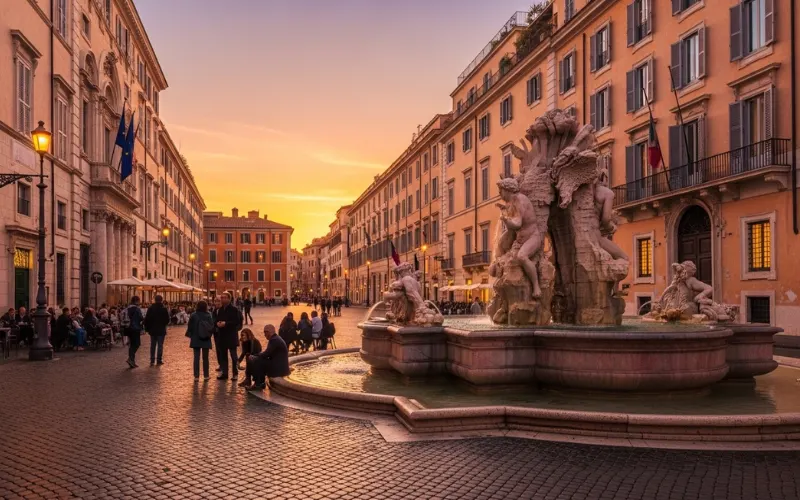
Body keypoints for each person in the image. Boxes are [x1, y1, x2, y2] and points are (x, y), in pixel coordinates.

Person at [245, 324, 290, 390]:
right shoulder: (276, 338)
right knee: (256, 359)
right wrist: (257, 356)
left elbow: (266, 354)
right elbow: (267, 354)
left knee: (256, 360)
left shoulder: (274, 340)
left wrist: (255, 356)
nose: (264, 335)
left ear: (268, 332)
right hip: (280, 367)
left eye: (265, 332)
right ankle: (258, 382)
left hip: (278, 369)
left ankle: (258, 384)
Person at [215, 292, 242, 381]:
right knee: (223, 355)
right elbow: (217, 319)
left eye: (224, 298)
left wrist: (226, 323)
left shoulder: (234, 309)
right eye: (222, 298)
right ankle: (225, 373)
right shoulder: (221, 310)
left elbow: (237, 322)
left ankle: (235, 374)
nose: (222, 299)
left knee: (233, 355)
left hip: (231, 336)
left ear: (229, 299)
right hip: (222, 336)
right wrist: (218, 323)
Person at [185, 300, 214, 380]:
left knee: (196, 357)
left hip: (196, 338)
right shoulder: (208, 315)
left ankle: (196, 376)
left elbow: (189, 326)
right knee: (205, 358)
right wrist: (208, 334)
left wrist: (191, 335)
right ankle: (206, 375)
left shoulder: (193, 315)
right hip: (205, 338)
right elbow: (211, 326)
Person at [144, 295, 170, 366]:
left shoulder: (150, 308)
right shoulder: (164, 309)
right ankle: (159, 359)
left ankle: (152, 360)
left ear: (155, 300)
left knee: (153, 345)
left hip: (152, 330)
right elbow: (167, 320)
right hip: (161, 330)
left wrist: (147, 329)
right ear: (161, 300)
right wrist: (163, 324)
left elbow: (147, 319)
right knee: (160, 345)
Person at [124, 297, 144, 367]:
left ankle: (132, 361)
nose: (139, 302)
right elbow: (141, 318)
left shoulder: (127, 309)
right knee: (136, 344)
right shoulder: (137, 309)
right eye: (139, 301)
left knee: (131, 344)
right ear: (136, 301)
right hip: (135, 328)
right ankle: (130, 359)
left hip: (128, 328)